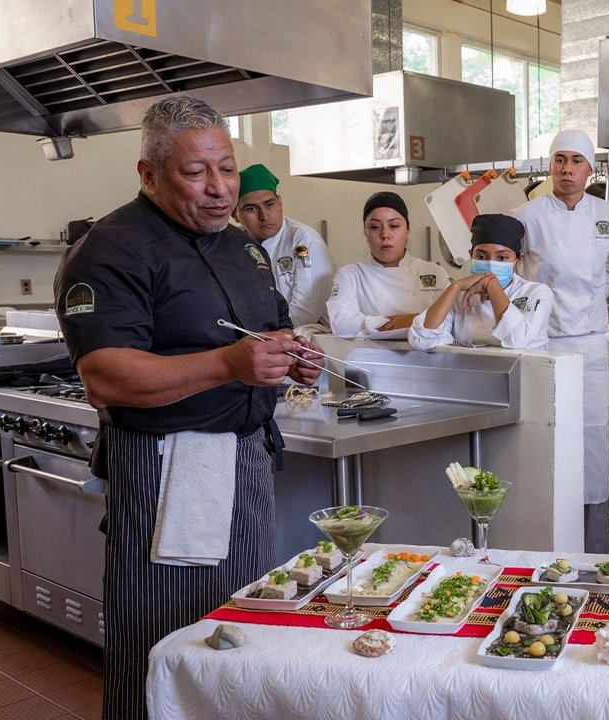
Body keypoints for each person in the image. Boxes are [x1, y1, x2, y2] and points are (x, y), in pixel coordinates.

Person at [52, 95, 322, 720]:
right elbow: (104, 376)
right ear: (148, 174)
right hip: (166, 467)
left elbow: (269, 332)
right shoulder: (110, 248)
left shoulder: (243, 249)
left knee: (239, 627)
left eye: (226, 169)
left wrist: (291, 357)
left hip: (246, 464)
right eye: (196, 173)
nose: (220, 190)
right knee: (163, 637)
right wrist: (228, 364)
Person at [514, 129, 609, 553]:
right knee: (545, 435)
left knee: (594, 440)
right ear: (549, 166)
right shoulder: (524, 215)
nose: (566, 169)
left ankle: (595, 550)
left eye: (575, 161)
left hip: (592, 343)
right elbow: (515, 273)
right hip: (543, 342)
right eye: (559, 159)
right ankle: (545, 544)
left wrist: (593, 298)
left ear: (590, 170)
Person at [409, 214, 552, 351]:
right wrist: (455, 287)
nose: (490, 264)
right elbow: (421, 340)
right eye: (481, 256)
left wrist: (492, 285)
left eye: (502, 258)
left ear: (518, 261)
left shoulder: (537, 293)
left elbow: (517, 340)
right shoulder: (460, 297)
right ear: (471, 255)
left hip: (525, 374)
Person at [328, 191, 450, 338]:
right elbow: (341, 323)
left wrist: (408, 321)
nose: (385, 234)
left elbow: (453, 320)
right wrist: (399, 322)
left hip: (429, 359)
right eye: (374, 227)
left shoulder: (435, 272)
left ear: (408, 231)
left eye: (394, 225)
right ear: (365, 233)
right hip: (368, 359)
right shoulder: (351, 275)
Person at [232, 163, 335, 330]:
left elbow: (306, 313)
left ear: (280, 202)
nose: (263, 216)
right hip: (258, 339)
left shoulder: (303, 241)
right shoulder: (232, 244)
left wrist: (267, 337)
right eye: (251, 209)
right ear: (234, 214)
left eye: (269, 204)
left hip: (311, 340)